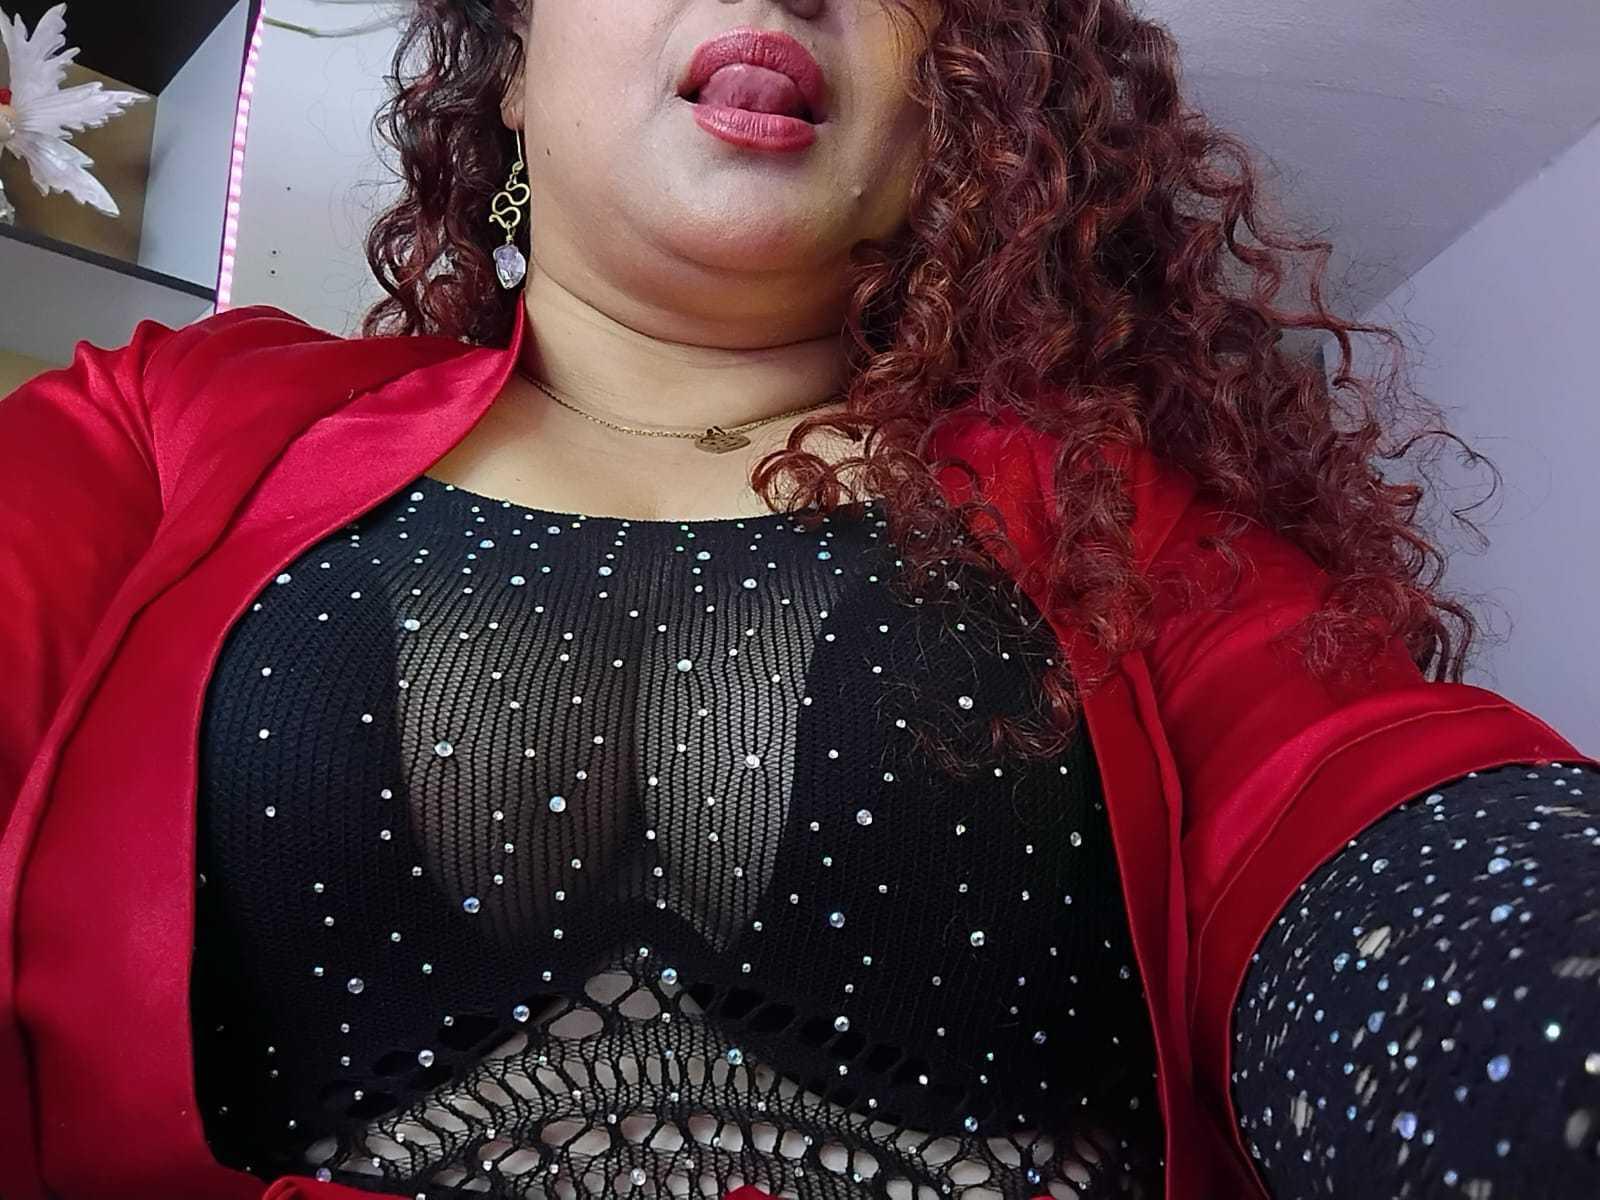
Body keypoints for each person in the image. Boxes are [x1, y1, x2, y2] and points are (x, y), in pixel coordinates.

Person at [0, 1, 1593, 1199]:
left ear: (958, 111)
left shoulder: (1113, 522)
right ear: (508, 62)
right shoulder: (169, 427)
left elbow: (1360, 803)